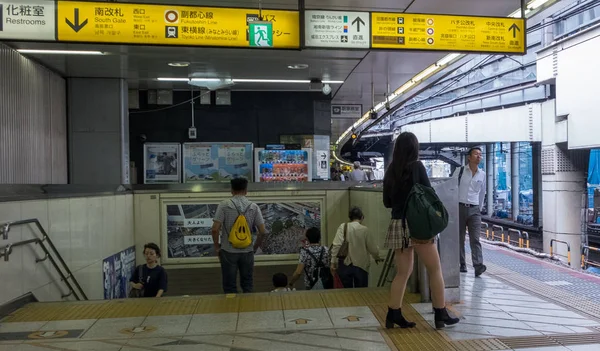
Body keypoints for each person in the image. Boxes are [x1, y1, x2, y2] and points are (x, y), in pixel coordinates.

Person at [382, 132, 459, 329]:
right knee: (434, 269)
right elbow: (428, 192)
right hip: (418, 225)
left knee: (402, 273)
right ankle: (440, 312)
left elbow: (386, 202)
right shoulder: (417, 167)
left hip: (398, 224)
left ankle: (394, 313)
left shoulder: (391, 170)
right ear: (414, 149)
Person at [211, 177, 267, 294]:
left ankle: (231, 308)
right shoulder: (254, 207)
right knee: (247, 284)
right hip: (247, 251)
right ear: (246, 190)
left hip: (228, 250)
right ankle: (248, 309)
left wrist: (217, 247)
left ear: (231, 190)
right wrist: (255, 247)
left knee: (229, 284)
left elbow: (215, 229)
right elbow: (262, 231)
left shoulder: (224, 205)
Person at [453, 147, 487, 277]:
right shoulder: (460, 171)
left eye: (480, 154)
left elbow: (482, 192)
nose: (479, 156)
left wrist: (479, 207)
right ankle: (462, 264)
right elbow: (451, 187)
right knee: (460, 238)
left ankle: (478, 265)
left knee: (475, 239)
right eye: (476, 154)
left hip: (474, 209)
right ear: (469, 157)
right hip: (460, 207)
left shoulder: (482, 174)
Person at [331, 207, 382, 288]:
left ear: (350, 217)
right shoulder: (365, 230)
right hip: (361, 266)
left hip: (345, 264)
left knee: (346, 294)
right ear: (362, 217)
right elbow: (373, 249)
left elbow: (336, 245)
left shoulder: (343, 227)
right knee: (361, 294)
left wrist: (333, 262)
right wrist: (377, 257)